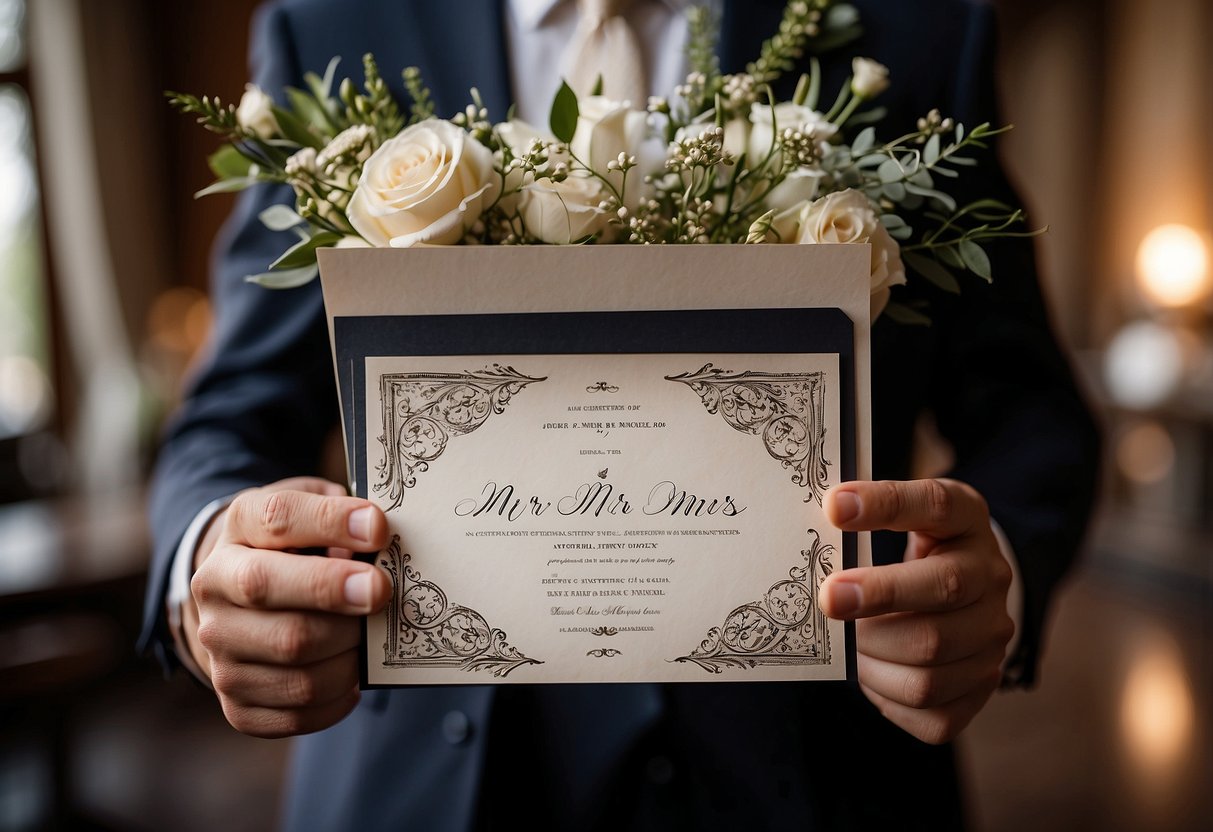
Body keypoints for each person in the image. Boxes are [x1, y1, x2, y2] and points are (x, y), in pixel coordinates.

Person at [140, 0, 1101, 829]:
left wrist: (992, 580)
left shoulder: (918, 32)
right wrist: (209, 556)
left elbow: (1031, 412)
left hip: (825, 763)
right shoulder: (333, 28)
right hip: (431, 776)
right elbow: (231, 414)